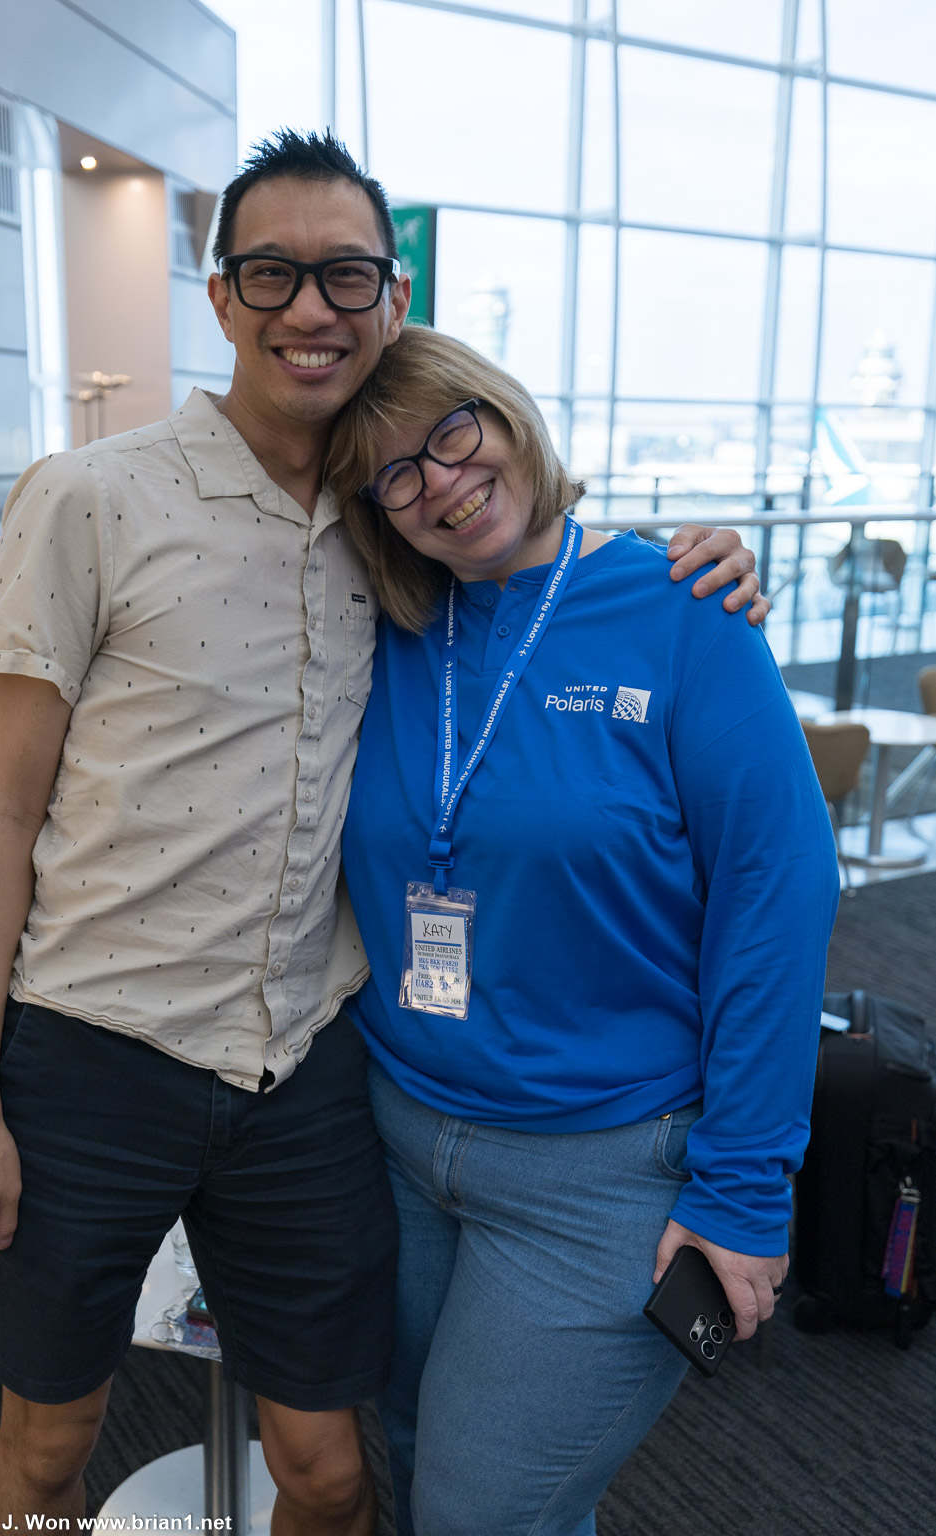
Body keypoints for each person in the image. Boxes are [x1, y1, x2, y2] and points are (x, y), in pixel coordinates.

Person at [0, 130, 766, 1533]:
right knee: (46, 1447)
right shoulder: (90, 499)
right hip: (91, 1054)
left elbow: (528, 568)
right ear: (221, 297)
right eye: (273, 273)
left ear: (391, 293)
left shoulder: (392, 532)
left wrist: (693, 562)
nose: (310, 306)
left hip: (306, 1069)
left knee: (327, 1469)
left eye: (344, 274)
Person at [325, 324, 840, 1536]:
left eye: (453, 434)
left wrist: (747, 1189)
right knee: (407, 1452)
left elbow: (778, 898)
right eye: (394, 474)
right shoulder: (392, 629)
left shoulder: (682, 608)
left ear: (506, 418)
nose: (438, 482)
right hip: (397, 1140)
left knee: (480, 1509)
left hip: (604, 1169)